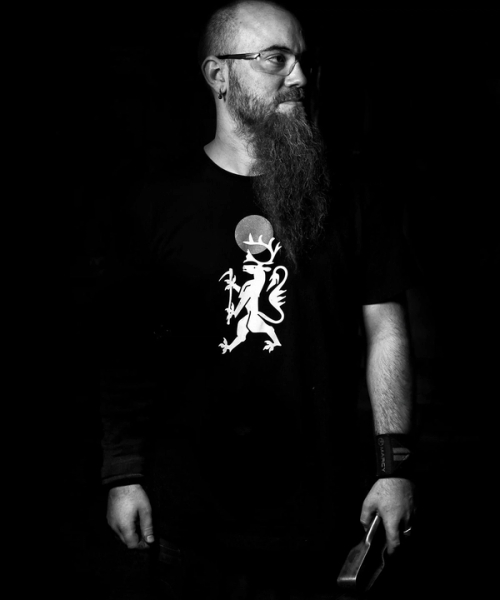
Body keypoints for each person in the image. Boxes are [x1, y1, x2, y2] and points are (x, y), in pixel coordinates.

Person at [100, 1, 416, 597]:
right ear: (218, 75)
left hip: (323, 518)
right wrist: (122, 475)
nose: (299, 77)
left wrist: (394, 467)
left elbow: (387, 331)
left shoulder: (352, 196)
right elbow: (128, 347)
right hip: (186, 520)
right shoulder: (155, 202)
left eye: (304, 61)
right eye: (275, 59)